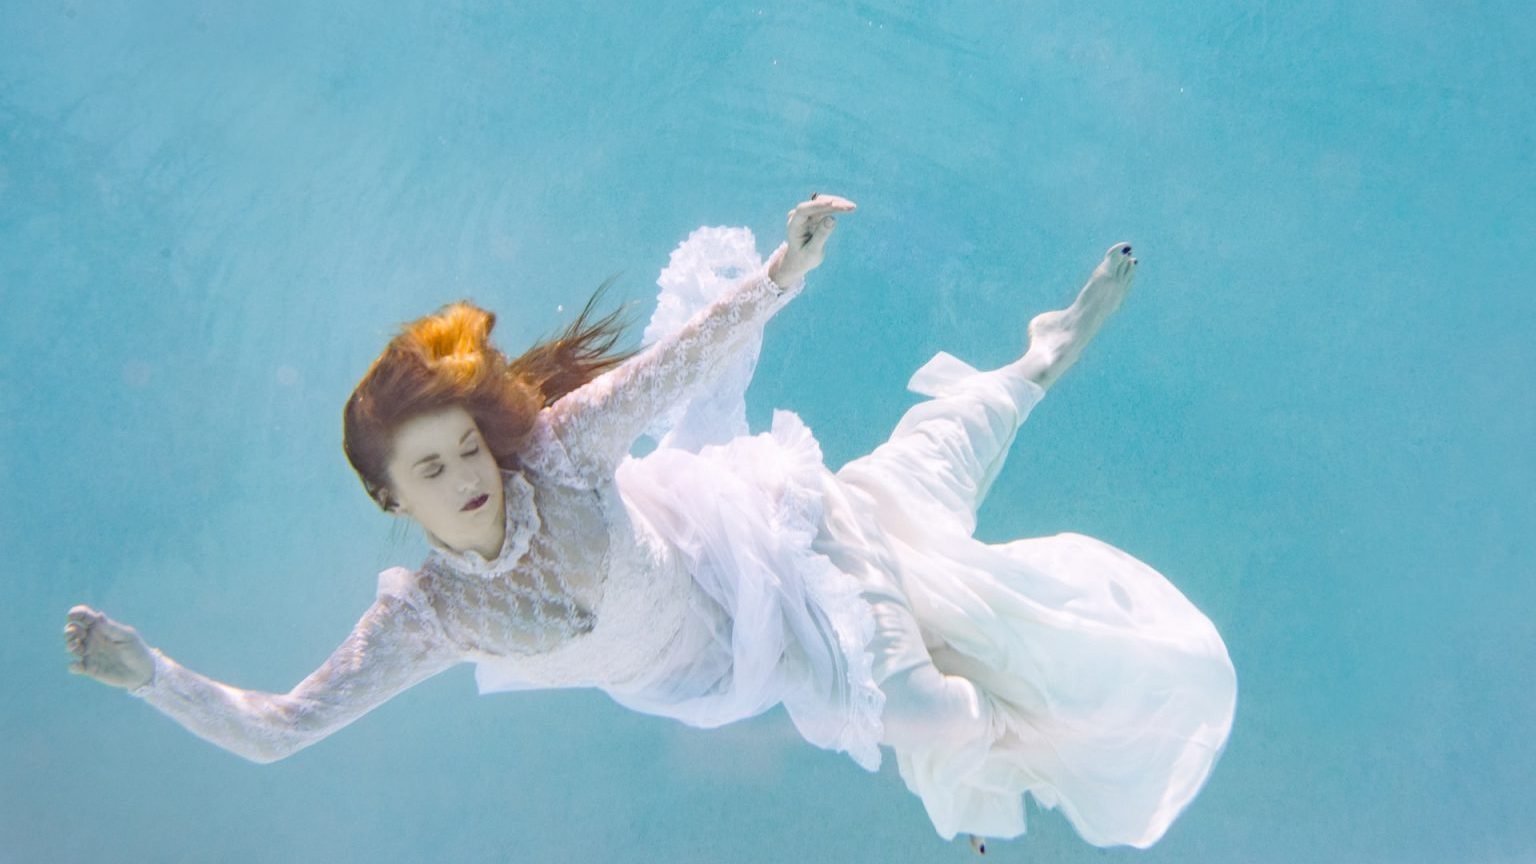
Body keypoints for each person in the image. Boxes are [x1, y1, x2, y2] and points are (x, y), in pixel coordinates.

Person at [64, 194, 1236, 851]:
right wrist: (147, 673)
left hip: (760, 538)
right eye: (432, 469)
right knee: (916, 498)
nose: (469, 474)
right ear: (393, 498)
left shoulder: (563, 459)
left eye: (467, 446)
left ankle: (1047, 350)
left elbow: (682, 365)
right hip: (730, 659)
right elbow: (278, 732)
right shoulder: (427, 618)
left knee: (927, 670)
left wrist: (783, 271)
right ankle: (1033, 378)